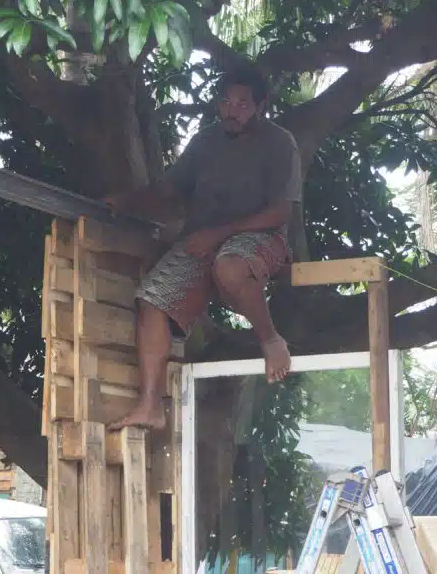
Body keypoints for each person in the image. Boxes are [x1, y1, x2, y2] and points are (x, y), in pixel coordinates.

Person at [104, 62, 303, 431]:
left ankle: (271, 339)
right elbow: (168, 190)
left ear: (260, 106)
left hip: (260, 236)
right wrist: (129, 201)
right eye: (226, 102)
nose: (232, 110)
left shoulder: (279, 142)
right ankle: (150, 406)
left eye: (242, 104)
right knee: (151, 301)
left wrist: (219, 234)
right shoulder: (205, 141)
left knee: (228, 266)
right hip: (203, 239)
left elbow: (280, 211)